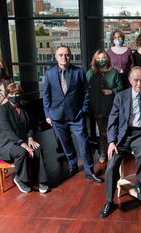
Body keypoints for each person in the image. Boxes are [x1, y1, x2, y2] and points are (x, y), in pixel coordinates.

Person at [99, 66, 141, 218]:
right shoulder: (121, 96)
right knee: (111, 165)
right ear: (129, 80)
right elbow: (112, 121)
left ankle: (139, 183)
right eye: (135, 80)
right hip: (123, 135)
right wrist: (112, 142)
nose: (139, 84)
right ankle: (109, 201)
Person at [43, 45, 103, 183]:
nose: (64, 57)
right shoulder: (50, 73)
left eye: (67, 55)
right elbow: (46, 95)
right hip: (57, 116)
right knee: (66, 143)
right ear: (55, 56)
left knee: (83, 143)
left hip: (76, 115)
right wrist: (47, 114)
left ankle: (89, 171)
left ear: (70, 56)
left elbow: (86, 93)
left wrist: (83, 110)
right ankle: (73, 165)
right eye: (61, 55)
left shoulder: (78, 72)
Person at [0, 83, 49, 193]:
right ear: (7, 95)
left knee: (37, 149)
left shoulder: (24, 107)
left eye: (17, 93)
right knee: (22, 152)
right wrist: (24, 145)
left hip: (21, 139)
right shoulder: (2, 109)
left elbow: (30, 126)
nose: (14, 96)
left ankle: (40, 180)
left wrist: (30, 138)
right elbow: (8, 132)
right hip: (6, 143)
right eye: (11, 93)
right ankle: (20, 179)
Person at [86, 49, 123, 164]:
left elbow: (121, 88)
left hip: (112, 107)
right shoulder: (90, 73)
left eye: (103, 58)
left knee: (113, 129)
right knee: (102, 132)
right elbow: (86, 89)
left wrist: (111, 91)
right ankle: (103, 152)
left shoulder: (114, 72)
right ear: (95, 60)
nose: (101, 60)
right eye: (99, 59)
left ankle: (115, 151)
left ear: (107, 59)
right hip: (97, 107)